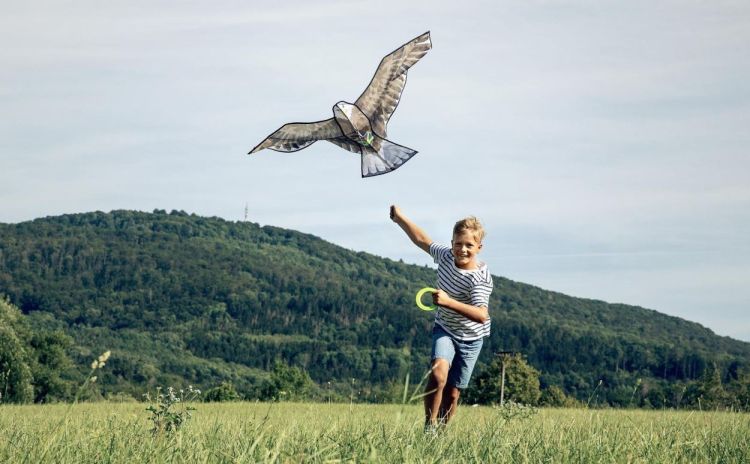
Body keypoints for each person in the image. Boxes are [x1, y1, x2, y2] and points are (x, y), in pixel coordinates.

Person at [390, 205, 493, 431]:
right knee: (438, 376)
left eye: (469, 245)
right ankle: (430, 427)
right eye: (458, 243)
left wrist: (448, 302)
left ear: (479, 247)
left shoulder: (479, 279)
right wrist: (399, 218)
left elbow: (482, 315)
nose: (462, 249)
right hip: (445, 328)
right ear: (451, 243)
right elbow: (422, 239)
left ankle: (443, 432)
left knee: (454, 392)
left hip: (471, 339)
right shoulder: (446, 257)